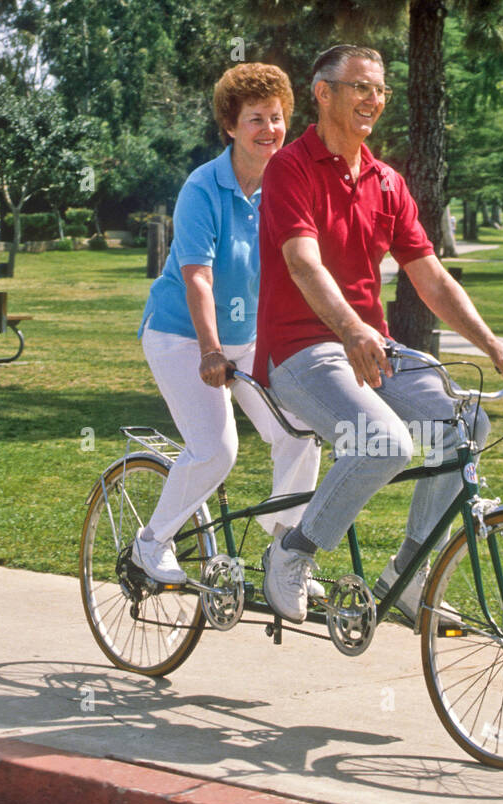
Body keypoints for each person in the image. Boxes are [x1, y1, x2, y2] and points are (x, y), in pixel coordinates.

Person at [253, 44, 503, 625]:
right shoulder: (290, 168)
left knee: (465, 421)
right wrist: (351, 329)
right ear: (322, 92)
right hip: (301, 351)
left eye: (379, 89)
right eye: (359, 87)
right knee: (386, 443)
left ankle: (406, 573)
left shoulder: (386, 181)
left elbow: (430, 277)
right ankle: (292, 551)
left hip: (371, 347)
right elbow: (303, 264)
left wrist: (492, 345)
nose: (372, 100)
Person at [132, 63, 321, 588]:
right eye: (256, 118)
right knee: (217, 448)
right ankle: (152, 543)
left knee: (300, 431)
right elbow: (198, 279)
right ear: (231, 127)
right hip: (182, 335)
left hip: (249, 339)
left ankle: (285, 550)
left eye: (277, 118)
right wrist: (211, 351)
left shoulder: (288, 187)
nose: (269, 129)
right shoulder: (203, 188)